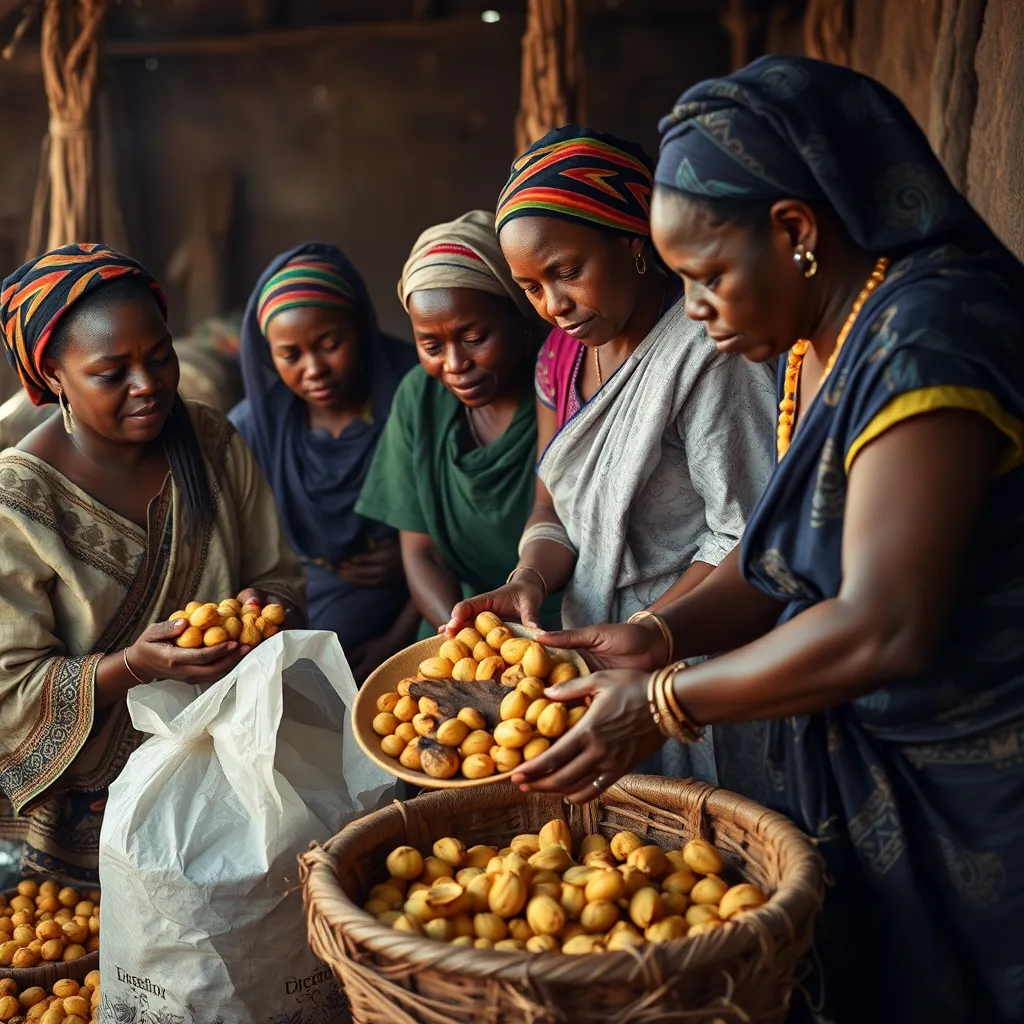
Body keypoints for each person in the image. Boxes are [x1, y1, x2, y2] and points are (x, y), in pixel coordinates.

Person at [511, 58, 1024, 1024]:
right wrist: (659, 637)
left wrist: (659, 701)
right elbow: (777, 557)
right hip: (873, 760)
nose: (695, 309)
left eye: (706, 276)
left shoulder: (929, 337)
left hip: (978, 765)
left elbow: (884, 626)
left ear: (794, 231)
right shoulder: (820, 340)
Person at [445, 127, 777, 793]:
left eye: (568, 272)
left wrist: (651, 635)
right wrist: (530, 580)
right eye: (531, 286)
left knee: (710, 834)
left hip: (695, 647)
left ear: (634, 243)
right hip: (593, 650)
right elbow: (552, 501)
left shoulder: (705, 351)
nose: (554, 305)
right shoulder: (560, 355)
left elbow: (747, 535)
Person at [0, 243, 305, 883]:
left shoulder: (212, 441)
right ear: (54, 376)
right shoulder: (19, 502)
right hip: (90, 818)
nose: (149, 385)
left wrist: (259, 611)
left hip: (231, 771)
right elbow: (11, 692)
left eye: (161, 356)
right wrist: (134, 667)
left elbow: (278, 575)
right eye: (112, 373)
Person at [356, 210, 558, 636]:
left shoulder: (557, 388)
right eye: (431, 344)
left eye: (474, 338)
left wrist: (519, 640)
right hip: (456, 621)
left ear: (520, 318)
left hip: (558, 620)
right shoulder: (420, 398)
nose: (454, 364)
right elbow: (421, 553)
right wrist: (466, 636)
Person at [230, 246, 418, 678]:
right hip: (300, 588)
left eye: (329, 344)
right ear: (269, 355)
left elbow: (453, 530)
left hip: (411, 591)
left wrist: (406, 569)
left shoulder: (410, 397)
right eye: (290, 355)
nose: (314, 368)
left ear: (359, 328)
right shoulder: (256, 425)